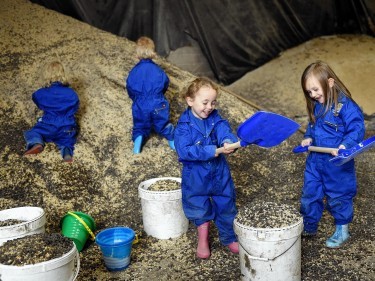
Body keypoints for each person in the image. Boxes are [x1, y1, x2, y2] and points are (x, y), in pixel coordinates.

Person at [299, 61, 365, 248]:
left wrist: (345, 145)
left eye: (315, 90)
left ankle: (342, 230)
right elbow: (313, 126)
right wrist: (308, 138)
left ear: (329, 82)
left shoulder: (345, 106)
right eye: (309, 92)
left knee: (339, 196)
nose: (312, 95)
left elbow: (357, 129)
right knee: (310, 194)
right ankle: (309, 225)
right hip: (315, 161)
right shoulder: (317, 105)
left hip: (337, 162)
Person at [174, 77, 239, 259]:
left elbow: (222, 128)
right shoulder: (183, 127)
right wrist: (212, 150)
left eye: (213, 102)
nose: (209, 107)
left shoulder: (214, 117)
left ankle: (228, 237)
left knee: (226, 204)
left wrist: (227, 141)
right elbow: (185, 150)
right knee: (199, 207)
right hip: (196, 176)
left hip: (219, 172)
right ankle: (203, 240)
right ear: (190, 100)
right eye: (205, 102)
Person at [126, 36, 175, 154]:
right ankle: (172, 141)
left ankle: (137, 147)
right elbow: (165, 83)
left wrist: (136, 99)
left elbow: (129, 88)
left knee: (140, 126)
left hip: (140, 104)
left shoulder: (134, 72)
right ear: (152, 51)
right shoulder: (158, 70)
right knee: (163, 123)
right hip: (157, 102)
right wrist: (159, 95)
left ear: (137, 53)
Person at [23, 61, 80, 163]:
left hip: (48, 125)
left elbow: (37, 101)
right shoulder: (72, 94)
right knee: (67, 141)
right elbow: (75, 108)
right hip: (67, 127)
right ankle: (67, 152)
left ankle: (36, 143)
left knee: (32, 132)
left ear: (45, 75)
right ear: (63, 74)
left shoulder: (40, 93)